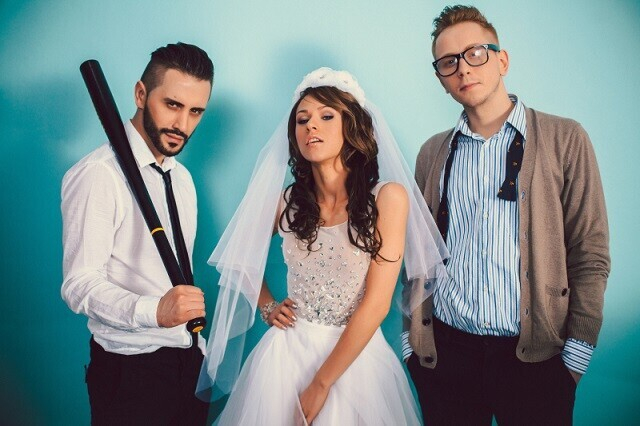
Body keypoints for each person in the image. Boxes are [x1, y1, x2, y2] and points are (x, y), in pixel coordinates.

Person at [196, 67, 447, 425]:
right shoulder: (286, 202)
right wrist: (268, 306)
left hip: (356, 360)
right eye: (302, 120)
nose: (311, 126)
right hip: (284, 357)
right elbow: (238, 256)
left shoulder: (388, 198)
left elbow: (377, 305)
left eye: (326, 116)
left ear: (351, 126)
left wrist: (321, 383)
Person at [402, 5, 611, 425]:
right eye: (448, 62)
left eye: (475, 53)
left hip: (535, 359)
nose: (463, 68)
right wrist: (412, 342)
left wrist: (574, 358)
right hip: (447, 355)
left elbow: (589, 253)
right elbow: (419, 255)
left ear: (502, 60)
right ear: (441, 79)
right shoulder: (432, 152)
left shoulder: (564, 138)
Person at [61, 42, 214, 425]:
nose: (182, 124)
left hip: (190, 360)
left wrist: (198, 349)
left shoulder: (182, 178)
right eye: (173, 105)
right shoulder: (100, 174)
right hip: (132, 370)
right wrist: (154, 311)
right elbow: (79, 284)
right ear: (141, 94)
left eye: (196, 111)